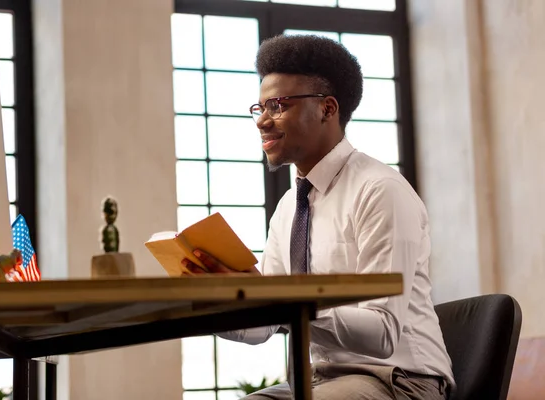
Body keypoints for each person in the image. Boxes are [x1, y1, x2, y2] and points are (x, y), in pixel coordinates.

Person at [181, 34, 454, 400]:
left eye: (277, 106)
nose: (262, 121)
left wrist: (286, 300)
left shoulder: (380, 190)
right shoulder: (289, 207)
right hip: (321, 381)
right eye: (259, 108)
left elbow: (384, 331)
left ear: (327, 109)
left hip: (402, 380)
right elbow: (264, 327)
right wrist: (217, 304)